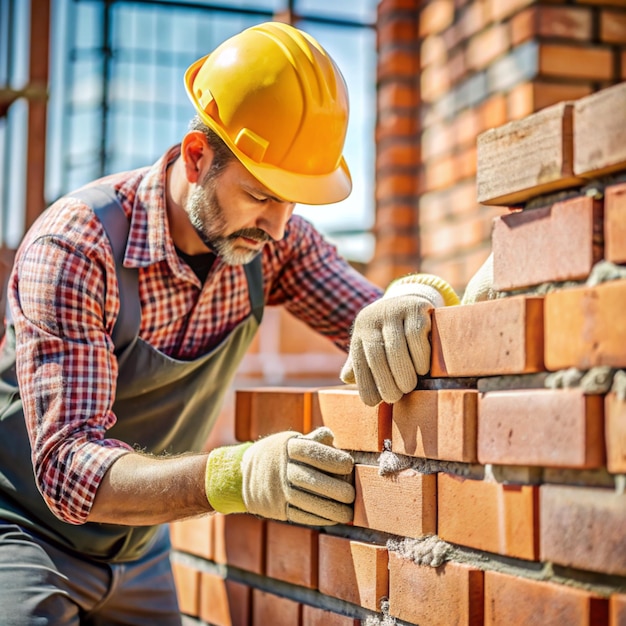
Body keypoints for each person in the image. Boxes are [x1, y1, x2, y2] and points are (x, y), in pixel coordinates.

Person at [0, 22, 459, 624]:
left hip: (140, 550)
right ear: (198, 158)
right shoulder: (78, 247)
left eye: (294, 202)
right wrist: (235, 476)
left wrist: (415, 297)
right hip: (25, 536)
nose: (276, 225)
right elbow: (65, 469)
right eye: (262, 194)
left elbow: (375, 319)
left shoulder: (273, 241)